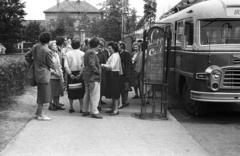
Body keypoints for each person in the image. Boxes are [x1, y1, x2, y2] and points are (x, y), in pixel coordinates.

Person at [25, 32, 55, 121]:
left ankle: (38, 113)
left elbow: (27, 56)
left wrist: (33, 63)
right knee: (43, 95)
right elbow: (51, 64)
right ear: (48, 40)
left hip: (35, 72)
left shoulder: (35, 47)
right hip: (44, 74)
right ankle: (40, 114)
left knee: (41, 94)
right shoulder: (47, 51)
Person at [82, 37, 103, 119]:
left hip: (87, 75)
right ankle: (94, 111)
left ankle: (85, 110)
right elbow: (92, 63)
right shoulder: (92, 52)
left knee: (87, 93)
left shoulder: (87, 51)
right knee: (94, 94)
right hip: (93, 76)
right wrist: (97, 71)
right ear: (97, 45)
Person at [101, 41, 123, 116]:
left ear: (114, 48)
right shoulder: (114, 55)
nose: (108, 49)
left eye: (110, 48)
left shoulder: (115, 55)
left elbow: (111, 66)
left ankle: (116, 110)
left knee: (115, 92)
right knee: (113, 92)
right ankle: (113, 108)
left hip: (114, 74)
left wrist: (102, 65)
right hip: (112, 74)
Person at [65, 39, 85, 113]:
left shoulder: (68, 54)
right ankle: (81, 108)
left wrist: (70, 74)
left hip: (71, 73)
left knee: (71, 90)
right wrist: (80, 74)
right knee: (80, 90)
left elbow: (66, 65)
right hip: (79, 73)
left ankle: (71, 107)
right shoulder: (82, 53)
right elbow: (84, 65)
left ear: (72, 45)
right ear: (79, 45)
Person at [48, 40, 65, 111]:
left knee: (58, 90)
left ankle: (57, 104)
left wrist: (61, 74)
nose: (56, 46)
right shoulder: (48, 55)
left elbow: (59, 65)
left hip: (58, 75)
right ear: (51, 47)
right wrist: (54, 72)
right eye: (54, 45)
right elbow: (47, 66)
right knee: (51, 91)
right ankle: (50, 105)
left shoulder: (57, 54)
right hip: (52, 76)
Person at [118, 42, 132, 109]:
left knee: (125, 87)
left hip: (125, 73)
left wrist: (128, 73)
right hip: (121, 72)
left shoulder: (126, 54)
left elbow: (128, 64)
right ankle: (122, 101)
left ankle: (125, 101)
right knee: (121, 87)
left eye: (119, 46)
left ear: (122, 47)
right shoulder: (118, 53)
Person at [97, 41, 107, 110]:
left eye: (100, 47)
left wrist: (102, 67)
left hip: (102, 72)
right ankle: (97, 103)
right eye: (98, 47)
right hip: (96, 72)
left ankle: (99, 101)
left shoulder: (103, 54)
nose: (99, 48)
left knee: (101, 87)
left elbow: (106, 63)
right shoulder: (94, 54)